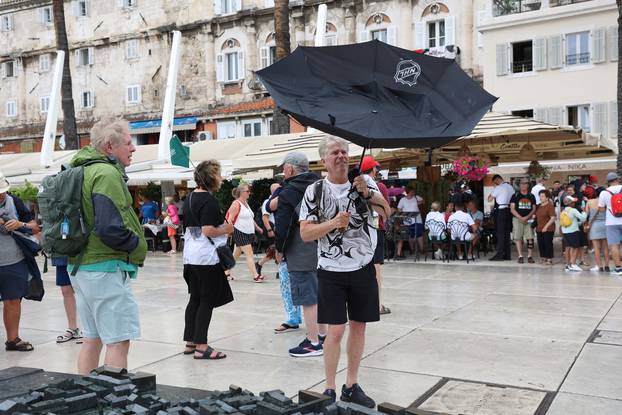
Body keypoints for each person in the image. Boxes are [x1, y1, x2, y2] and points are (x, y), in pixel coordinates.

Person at [299, 135, 389, 407]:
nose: (340, 156)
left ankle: (352, 384)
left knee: (359, 328)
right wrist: (333, 223)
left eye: (343, 151)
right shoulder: (314, 191)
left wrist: (368, 194)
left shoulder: (365, 182)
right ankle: (329, 387)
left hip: (362, 267)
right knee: (335, 331)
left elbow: (386, 213)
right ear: (324, 160)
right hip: (331, 270)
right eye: (334, 152)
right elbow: (305, 233)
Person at [67, 118, 147, 374]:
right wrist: (137, 245)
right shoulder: (107, 173)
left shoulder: (80, 169)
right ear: (110, 147)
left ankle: (86, 397)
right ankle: (114, 403)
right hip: (105, 267)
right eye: (128, 143)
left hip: (80, 266)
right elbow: (109, 227)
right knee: (118, 340)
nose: (133, 148)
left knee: (92, 338)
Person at [272, 152, 327, 357]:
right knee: (320, 293)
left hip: (301, 248)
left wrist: (279, 249)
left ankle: (313, 342)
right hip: (324, 247)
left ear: (290, 169)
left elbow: (283, 226)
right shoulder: (322, 184)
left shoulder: (289, 191)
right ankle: (322, 335)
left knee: (307, 296)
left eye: (284, 168)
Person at [182, 160, 234, 359]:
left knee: (195, 297)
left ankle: (191, 342)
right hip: (206, 257)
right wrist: (227, 229)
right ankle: (202, 347)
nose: (221, 178)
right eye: (218, 174)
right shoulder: (209, 201)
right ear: (211, 177)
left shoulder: (189, 198)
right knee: (207, 300)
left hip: (190, 255)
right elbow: (209, 230)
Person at [0, 172, 40, 352]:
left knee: (13, 300)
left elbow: (35, 227)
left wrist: (19, 225)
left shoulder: (15, 202)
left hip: (14, 261)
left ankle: (13, 340)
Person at [360, 156, 392, 315]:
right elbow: (386, 211)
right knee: (376, 268)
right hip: (376, 229)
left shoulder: (355, 186)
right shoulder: (379, 186)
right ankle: (377, 304)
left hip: (359, 232)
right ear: (373, 170)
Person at [226, 184, 264, 282]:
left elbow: (250, 218)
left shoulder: (246, 203)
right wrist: (229, 232)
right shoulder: (236, 203)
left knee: (235, 255)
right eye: (247, 191)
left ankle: (226, 272)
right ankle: (256, 276)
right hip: (239, 231)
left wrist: (257, 227)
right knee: (249, 253)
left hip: (248, 232)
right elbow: (229, 219)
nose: (249, 193)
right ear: (241, 193)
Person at [53, 256, 83, 344]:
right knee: (66, 290)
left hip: (82, 255)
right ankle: (72, 329)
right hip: (62, 254)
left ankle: (90, 331)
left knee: (84, 290)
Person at [598, 172, 622, 275]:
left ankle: (618, 269)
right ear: (617, 179)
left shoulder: (604, 193)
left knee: (614, 246)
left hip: (611, 223)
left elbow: (601, 209)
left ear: (608, 182)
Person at [255, 183, 280, 278]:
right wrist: (270, 230)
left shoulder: (277, 200)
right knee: (276, 249)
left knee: (276, 249)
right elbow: (265, 217)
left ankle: (259, 264)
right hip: (271, 227)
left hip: (276, 227)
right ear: (274, 191)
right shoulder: (268, 202)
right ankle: (279, 270)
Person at [510, 179, 537, 264]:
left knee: (530, 238)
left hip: (529, 219)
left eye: (525, 183)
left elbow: (534, 208)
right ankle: (520, 256)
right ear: (519, 185)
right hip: (517, 219)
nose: (523, 185)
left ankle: (530, 256)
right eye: (522, 183)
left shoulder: (531, 196)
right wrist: (521, 218)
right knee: (518, 238)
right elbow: (512, 209)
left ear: (528, 185)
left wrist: (527, 217)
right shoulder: (515, 195)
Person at [488, 174, 514, 261]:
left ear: (497, 180)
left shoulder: (499, 188)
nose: (495, 184)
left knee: (500, 233)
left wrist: (493, 191)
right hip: (509, 211)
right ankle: (507, 255)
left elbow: (489, 199)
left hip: (501, 211)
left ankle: (500, 254)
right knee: (507, 233)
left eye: (495, 182)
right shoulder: (510, 187)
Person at [396, 186, 424, 259]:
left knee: (419, 234)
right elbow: (399, 209)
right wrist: (403, 215)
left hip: (417, 219)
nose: (413, 192)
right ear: (409, 191)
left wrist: (418, 202)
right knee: (410, 236)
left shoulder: (416, 197)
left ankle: (421, 249)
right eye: (412, 191)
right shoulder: (402, 200)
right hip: (407, 221)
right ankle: (412, 249)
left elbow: (423, 201)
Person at [585, 187, 609, 272]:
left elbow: (586, 215)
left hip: (594, 225)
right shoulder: (606, 202)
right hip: (605, 224)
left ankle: (599, 266)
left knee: (596, 248)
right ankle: (607, 266)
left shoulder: (590, 202)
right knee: (605, 247)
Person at [561, 195, 587, 272]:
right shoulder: (573, 210)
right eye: (573, 202)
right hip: (573, 232)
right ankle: (573, 264)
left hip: (565, 232)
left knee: (568, 247)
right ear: (570, 203)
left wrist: (578, 223)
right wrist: (584, 211)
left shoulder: (563, 211)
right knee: (575, 248)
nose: (574, 203)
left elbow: (571, 221)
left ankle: (567, 265)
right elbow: (583, 218)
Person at [535, 190, 556, 265]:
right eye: (540, 196)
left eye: (542, 196)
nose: (541, 198)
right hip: (539, 228)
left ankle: (549, 259)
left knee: (548, 243)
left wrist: (546, 227)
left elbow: (553, 218)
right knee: (540, 244)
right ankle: (543, 258)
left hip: (548, 228)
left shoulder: (550, 206)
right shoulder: (538, 206)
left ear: (547, 197)